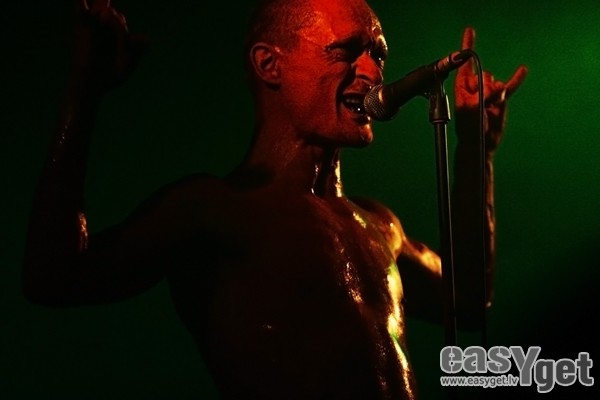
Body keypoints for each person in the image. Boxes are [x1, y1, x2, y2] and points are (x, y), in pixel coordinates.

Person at [22, 0, 527, 398]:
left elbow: (468, 303)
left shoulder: (379, 224)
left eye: (378, 54)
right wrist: (84, 91)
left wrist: (475, 147)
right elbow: (54, 276)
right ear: (270, 65)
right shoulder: (212, 210)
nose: (374, 73)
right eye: (346, 52)